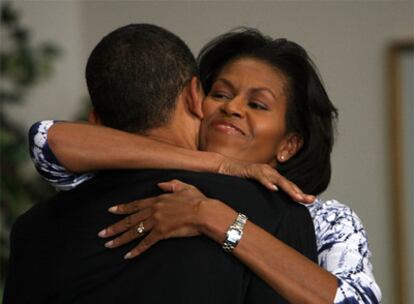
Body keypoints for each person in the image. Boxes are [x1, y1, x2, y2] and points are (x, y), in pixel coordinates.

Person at [27, 28, 382, 304]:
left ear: (288, 145)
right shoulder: (122, 173)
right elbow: (47, 140)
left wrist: (213, 217)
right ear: (196, 101)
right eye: (222, 94)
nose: (232, 108)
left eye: (257, 105)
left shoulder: (322, 220)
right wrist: (218, 164)